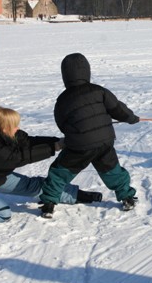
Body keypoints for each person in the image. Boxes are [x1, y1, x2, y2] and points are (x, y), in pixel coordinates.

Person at [0, 106, 102, 222]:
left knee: (37, 186)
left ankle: (76, 195)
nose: (18, 128)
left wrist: (58, 141)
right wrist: (54, 147)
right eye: (14, 126)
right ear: (3, 129)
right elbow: (18, 157)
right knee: (3, 214)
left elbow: (27, 142)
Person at [39, 53, 140, 218]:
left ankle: (49, 204)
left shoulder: (63, 99)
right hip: (104, 142)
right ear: (87, 72)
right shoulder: (99, 90)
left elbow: (61, 123)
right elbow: (118, 109)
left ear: (65, 76)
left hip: (79, 145)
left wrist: (72, 132)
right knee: (112, 170)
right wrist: (131, 118)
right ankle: (127, 197)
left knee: (59, 173)